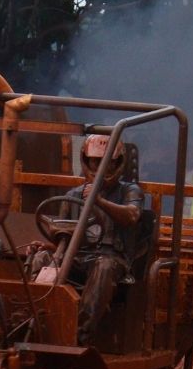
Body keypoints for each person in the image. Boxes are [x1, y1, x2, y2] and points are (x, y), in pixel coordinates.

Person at [50, 135, 146, 338]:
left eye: (108, 162)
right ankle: (40, 319)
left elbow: (132, 215)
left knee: (103, 266)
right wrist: (54, 253)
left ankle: (79, 332)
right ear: (86, 161)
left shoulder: (130, 191)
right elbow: (63, 232)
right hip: (77, 258)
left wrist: (99, 200)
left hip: (114, 261)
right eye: (96, 161)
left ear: (118, 163)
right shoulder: (73, 195)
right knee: (41, 259)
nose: (103, 168)